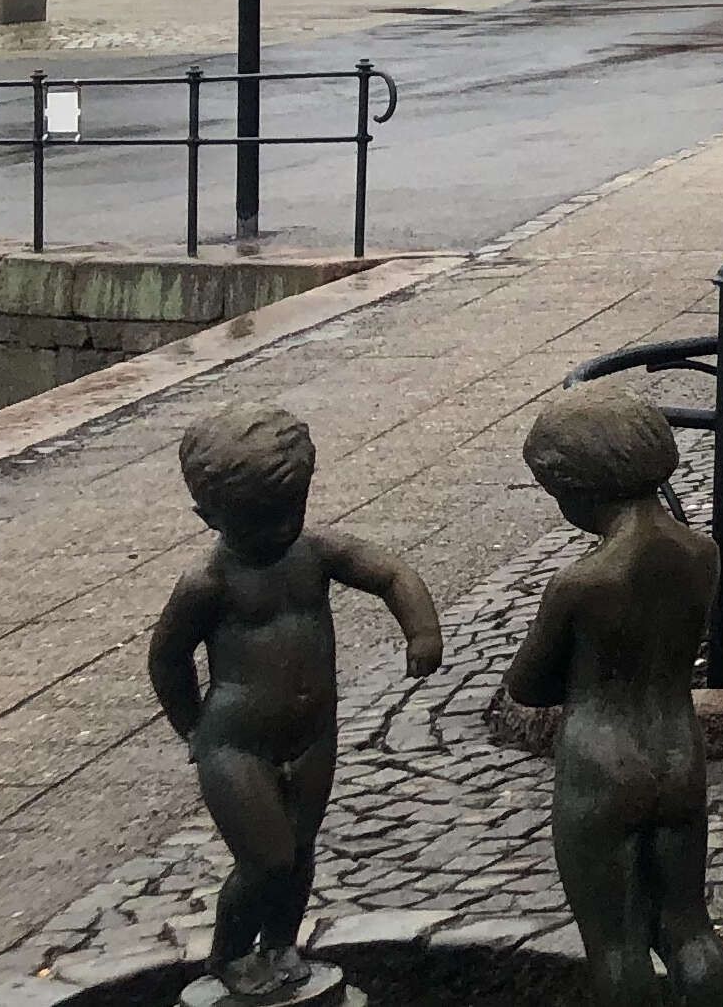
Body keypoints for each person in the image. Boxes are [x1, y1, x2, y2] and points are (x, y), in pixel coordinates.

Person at [147, 402, 442, 1001]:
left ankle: (280, 941)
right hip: (236, 744)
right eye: (258, 522)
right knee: (267, 859)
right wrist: (193, 728)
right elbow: (167, 658)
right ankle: (229, 954)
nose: (280, 530)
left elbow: (389, 573)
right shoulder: (209, 583)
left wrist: (422, 630)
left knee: (300, 850)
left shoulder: (314, 552)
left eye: (291, 512)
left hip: (312, 735)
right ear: (209, 517)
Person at [507, 380, 723, 1006]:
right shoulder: (703, 555)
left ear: (577, 490)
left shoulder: (582, 582)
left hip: (599, 765)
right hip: (679, 753)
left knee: (616, 943)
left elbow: (526, 685)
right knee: (689, 926)